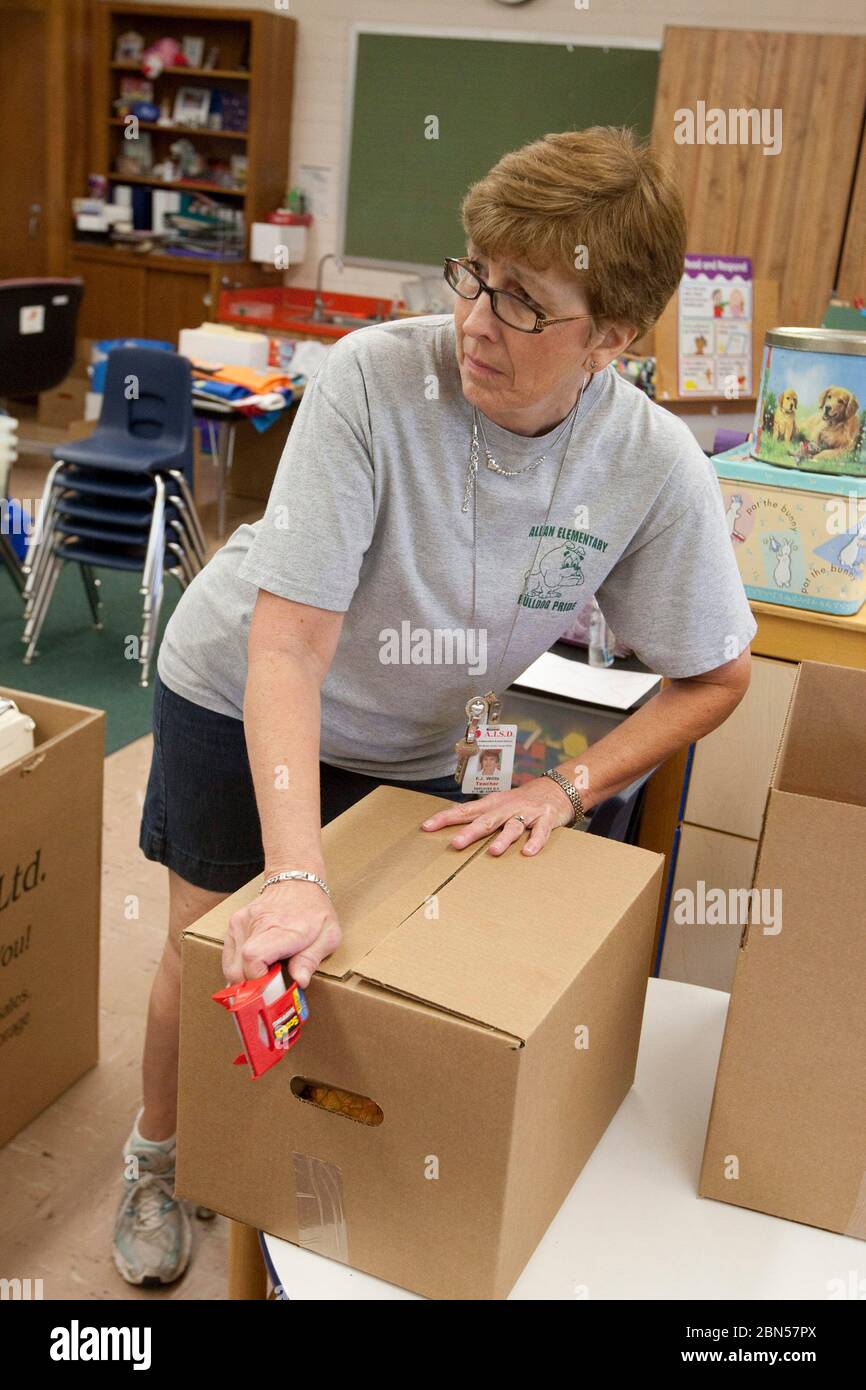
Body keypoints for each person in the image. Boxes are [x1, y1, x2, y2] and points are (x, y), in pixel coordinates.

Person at [113, 126, 756, 1285]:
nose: (474, 319)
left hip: (413, 731)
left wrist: (570, 786)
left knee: (362, 979)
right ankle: (160, 1159)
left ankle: (319, 1185)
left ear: (610, 335)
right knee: (222, 949)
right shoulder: (374, 378)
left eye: (521, 302)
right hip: (238, 690)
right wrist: (295, 871)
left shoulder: (652, 464)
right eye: (473, 275)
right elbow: (287, 647)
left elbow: (714, 675)